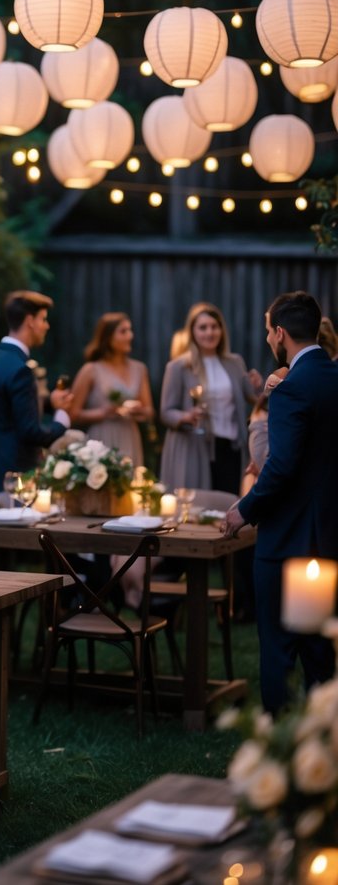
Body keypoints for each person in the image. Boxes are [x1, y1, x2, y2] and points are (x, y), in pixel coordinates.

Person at [222, 291, 338, 713]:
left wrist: (243, 509)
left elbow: (283, 464)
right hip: (328, 538)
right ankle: (323, 741)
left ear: (280, 333)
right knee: (320, 653)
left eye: (269, 330)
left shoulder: (291, 388)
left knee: (277, 650)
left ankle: (278, 745)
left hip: (288, 541)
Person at [0, 290, 73, 493]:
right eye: (43, 319)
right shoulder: (20, 369)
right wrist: (61, 421)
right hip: (15, 478)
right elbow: (30, 433)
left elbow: (5, 406)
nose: (47, 326)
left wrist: (48, 403)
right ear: (30, 321)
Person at [159, 302, 262, 494]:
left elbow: (255, 399)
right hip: (196, 446)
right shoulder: (179, 367)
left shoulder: (235, 362)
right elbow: (166, 412)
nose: (210, 332)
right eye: (203, 328)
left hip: (231, 446)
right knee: (200, 510)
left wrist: (259, 386)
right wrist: (185, 416)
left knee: (228, 502)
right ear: (193, 332)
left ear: (222, 330)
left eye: (215, 327)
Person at [69, 312, 154, 466]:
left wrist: (138, 411)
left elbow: (150, 411)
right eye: (123, 331)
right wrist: (102, 413)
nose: (130, 336)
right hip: (102, 437)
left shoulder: (139, 368)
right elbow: (72, 413)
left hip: (129, 435)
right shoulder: (91, 370)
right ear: (108, 336)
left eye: (130, 330)